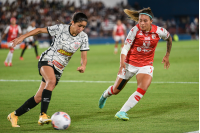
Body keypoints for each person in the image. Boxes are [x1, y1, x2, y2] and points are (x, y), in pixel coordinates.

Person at [7, 12, 89, 127]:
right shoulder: (61, 28)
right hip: (47, 60)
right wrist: (22, 37)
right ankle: (43, 115)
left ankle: (14, 115)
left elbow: (83, 57)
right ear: (73, 22)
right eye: (79, 25)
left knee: (39, 97)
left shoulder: (83, 37)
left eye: (84, 27)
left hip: (59, 68)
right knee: (51, 81)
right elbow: (40, 30)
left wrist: (83, 66)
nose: (81, 29)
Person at [99, 7, 172, 121]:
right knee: (116, 90)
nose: (142, 23)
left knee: (143, 88)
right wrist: (121, 63)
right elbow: (125, 47)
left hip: (146, 64)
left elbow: (169, 38)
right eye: (140, 20)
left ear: (151, 21)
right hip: (129, 64)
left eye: (145, 21)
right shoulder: (134, 30)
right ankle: (105, 95)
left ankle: (122, 111)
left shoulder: (159, 31)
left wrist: (167, 55)